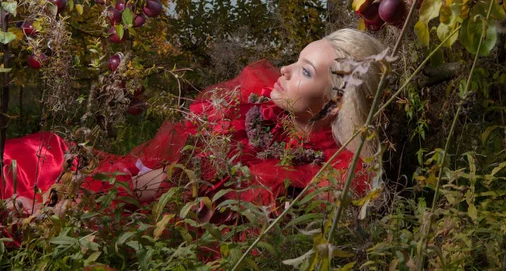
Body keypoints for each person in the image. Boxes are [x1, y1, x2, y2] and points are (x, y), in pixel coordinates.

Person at [1, 28, 386, 216]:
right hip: (134, 184)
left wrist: (69, 208)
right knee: (34, 154)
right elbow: (166, 166)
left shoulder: (314, 177)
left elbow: (177, 195)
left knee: (25, 198)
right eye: (295, 59)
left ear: (336, 103)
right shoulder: (250, 105)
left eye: (303, 70)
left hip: (149, 212)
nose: (283, 70)